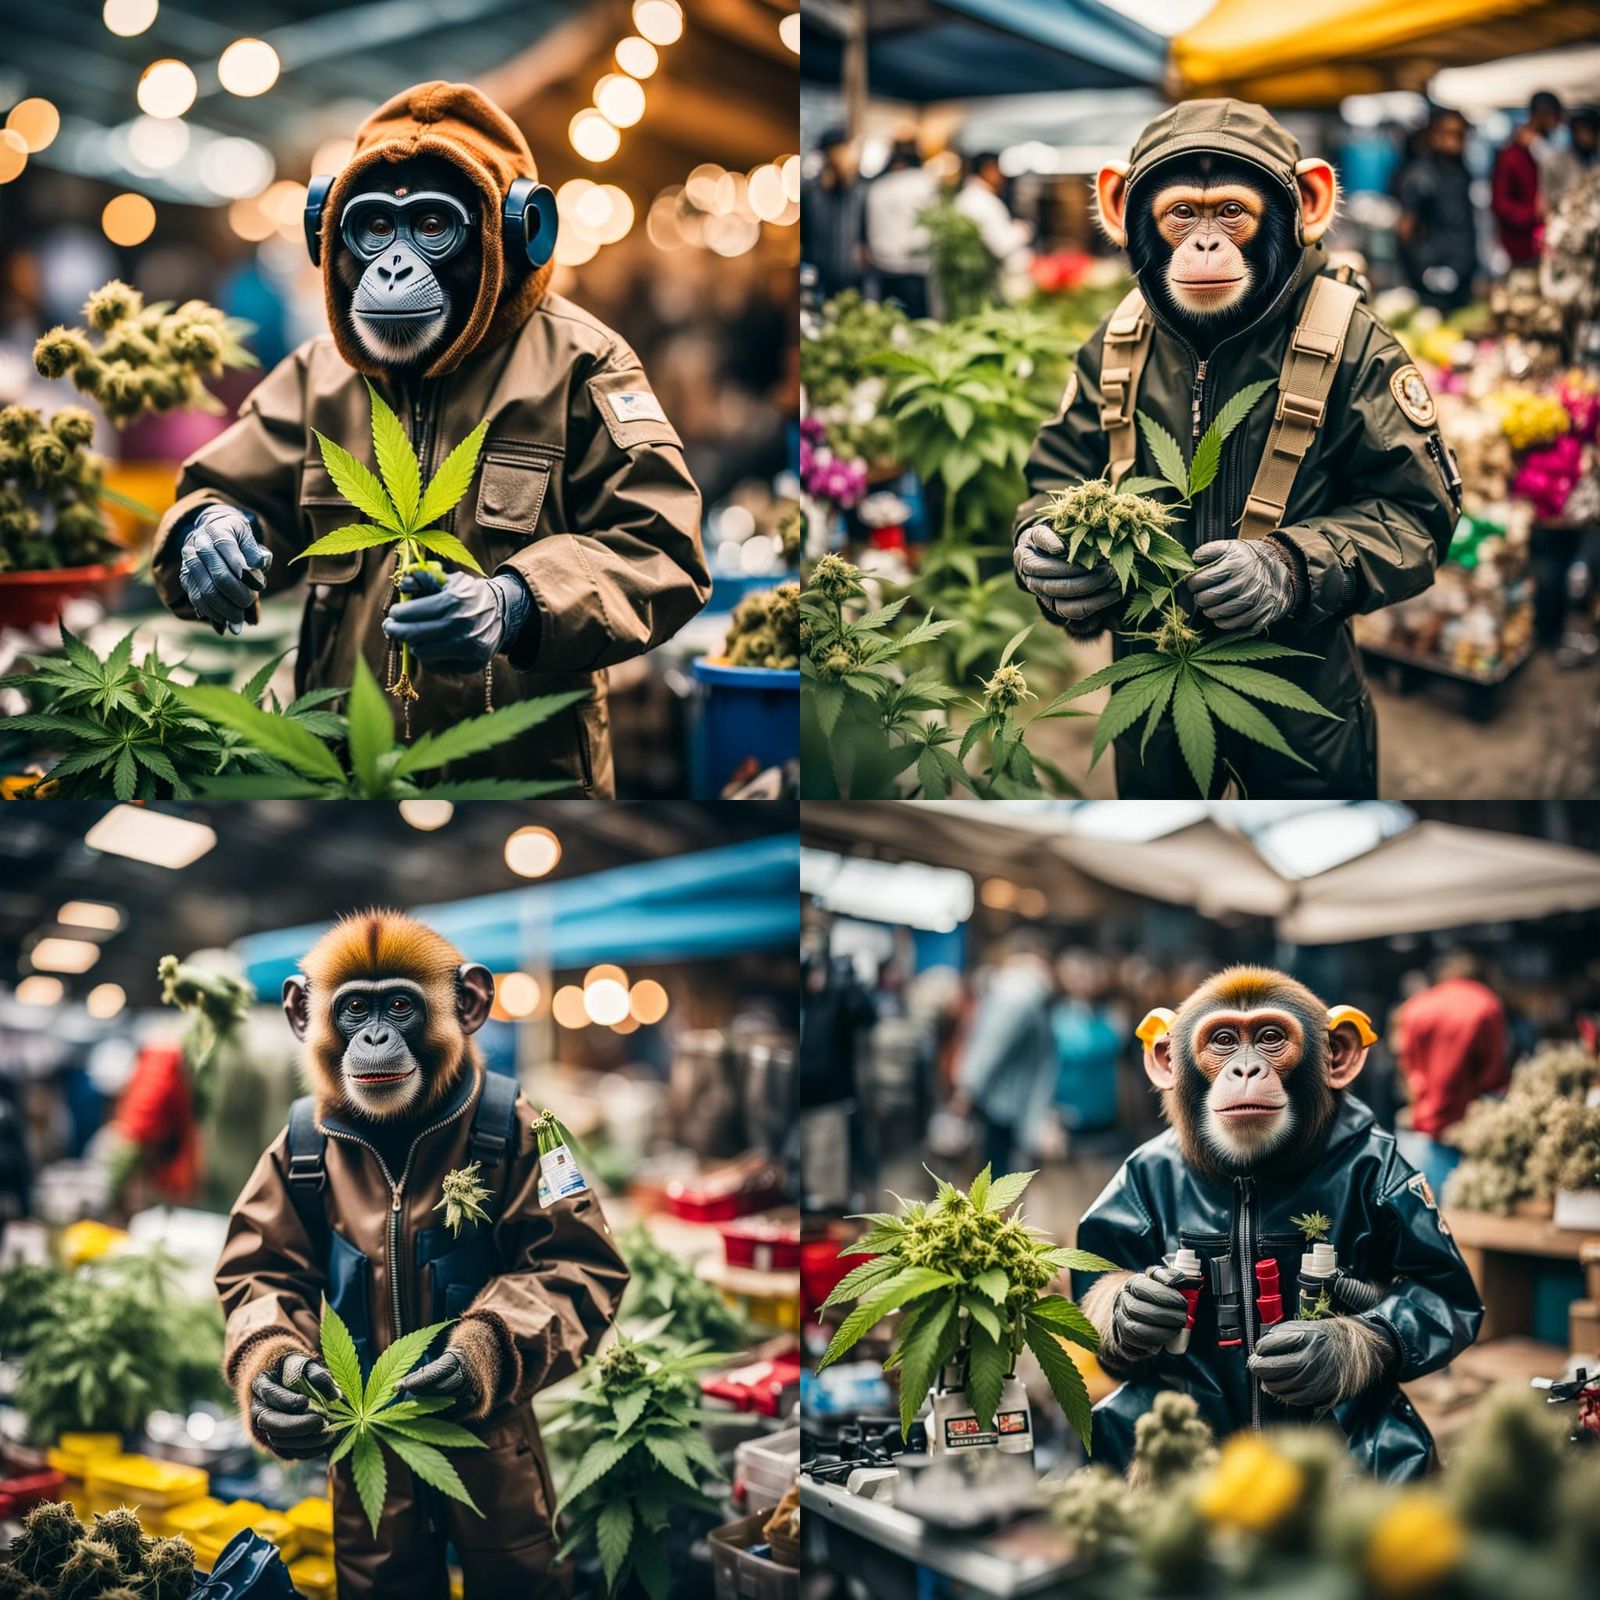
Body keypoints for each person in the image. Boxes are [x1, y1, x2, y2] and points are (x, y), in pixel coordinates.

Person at [1393, 951, 1508, 1194]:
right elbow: (1493, 1076)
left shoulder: (1415, 1006)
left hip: (1419, 1134)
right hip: (1467, 1139)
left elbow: (1407, 1067)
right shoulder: (1486, 1004)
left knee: (1415, 1218)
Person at [949, 933, 1059, 1174]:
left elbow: (991, 1045)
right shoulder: (1028, 992)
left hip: (1000, 1105)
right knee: (999, 1177)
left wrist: (967, 1089)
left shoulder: (1016, 992)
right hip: (1011, 1103)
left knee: (993, 1179)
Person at [1394, 108, 1479, 312]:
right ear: (1435, 136)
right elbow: (1405, 230)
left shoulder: (1463, 173)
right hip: (1432, 279)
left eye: (1460, 135)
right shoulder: (1419, 176)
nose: (1456, 141)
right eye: (1450, 134)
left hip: (1462, 273)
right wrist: (1422, 271)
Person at [1491, 90, 1563, 269]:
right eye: (1552, 118)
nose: (1554, 126)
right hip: (1521, 246)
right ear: (1539, 116)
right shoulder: (1511, 157)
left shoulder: (1544, 150)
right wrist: (1534, 212)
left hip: (1548, 243)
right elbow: (1501, 204)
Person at [865, 138, 937, 316]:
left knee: (889, 320)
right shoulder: (926, 183)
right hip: (914, 268)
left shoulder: (878, 187)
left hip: (883, 266)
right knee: (918, 323)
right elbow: (932, 226)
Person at [801, 127, 866, 299]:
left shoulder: (859, 190)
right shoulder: (811, 193)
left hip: (854, 280)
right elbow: (806, 238)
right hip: (820, 281)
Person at [952, 151, 1033, 280]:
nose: (1002, 176)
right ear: (988, 169)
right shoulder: (985, 202)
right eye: (999, 169)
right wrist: (1023, 231)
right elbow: (999, 246)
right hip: (986, 278)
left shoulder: (965, 198)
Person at [1541, 106, 1600, 210]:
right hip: (1567, 221)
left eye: (1592, 130)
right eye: (1584, 130)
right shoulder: (1555, 161)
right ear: (1574, 131)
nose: (1588, 136)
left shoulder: (1596, 160)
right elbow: (1547, 203)